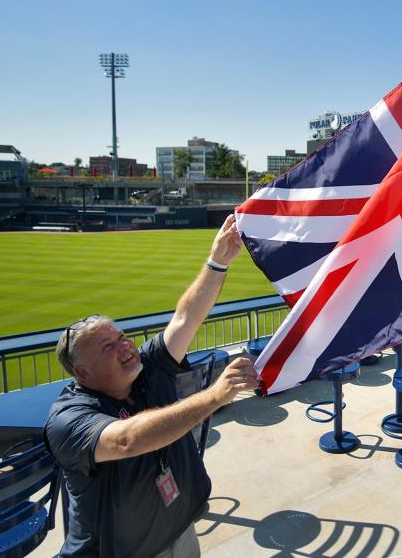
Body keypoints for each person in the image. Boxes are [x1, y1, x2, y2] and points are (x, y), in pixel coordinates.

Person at [44, 215, 257, 558]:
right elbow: (126, 440)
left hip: (179, 531)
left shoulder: (145, 368)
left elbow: (185, 319)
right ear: (82, 372)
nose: (125, 347)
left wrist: (218, 261)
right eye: (107, 347)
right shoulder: (67, 419)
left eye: (121, 337)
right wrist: (213, 397)